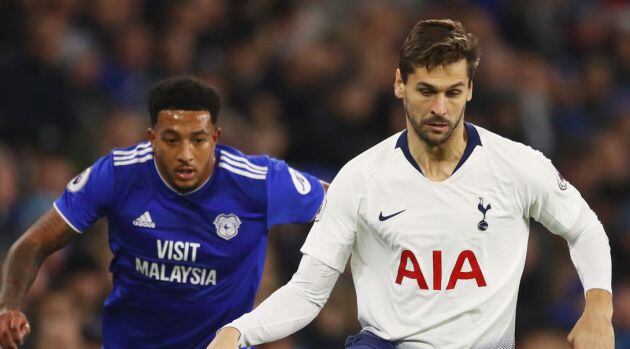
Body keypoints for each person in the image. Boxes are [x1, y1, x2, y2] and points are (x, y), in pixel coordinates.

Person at [208, 19, 614, 349]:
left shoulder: (516, 166)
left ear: (470, 89)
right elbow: (308, 293)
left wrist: (598, 307)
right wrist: (239, 331)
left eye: (453, 92)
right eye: (426, 91)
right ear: (400, 84)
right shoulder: (361, 178)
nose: (440, 108)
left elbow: (584, 228)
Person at [0, 76, 327, 349]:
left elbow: (341, 203)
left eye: (198, 140)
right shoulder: (116, 175)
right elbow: (34, 243)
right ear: (152, 138)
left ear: (215, 138)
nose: (186, 154)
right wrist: (10, 306)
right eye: (172, 140)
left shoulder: (258, 181)